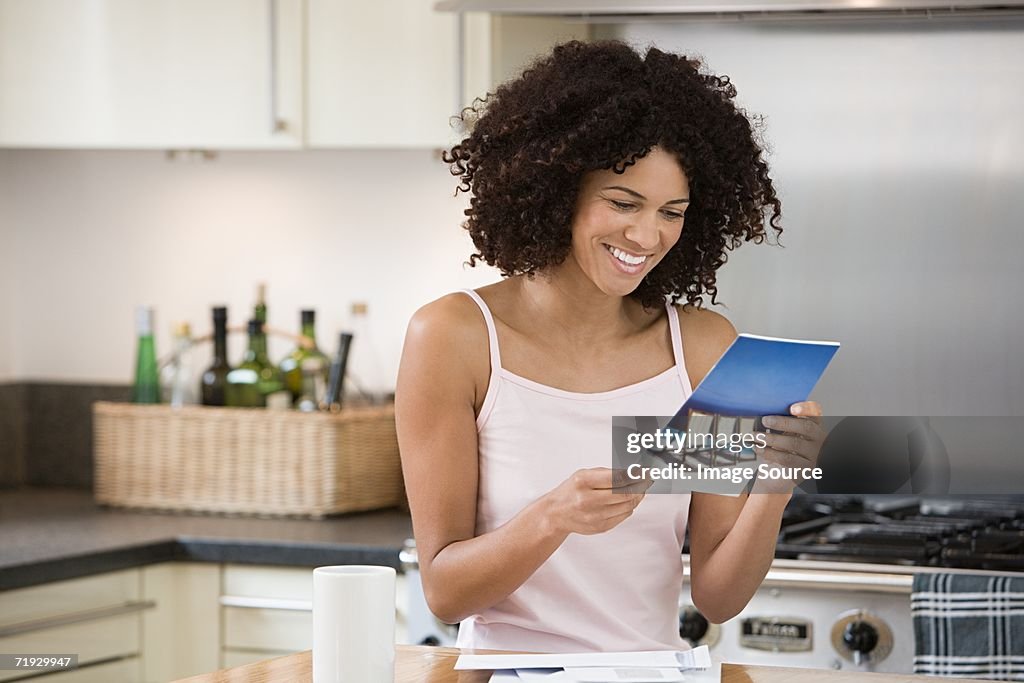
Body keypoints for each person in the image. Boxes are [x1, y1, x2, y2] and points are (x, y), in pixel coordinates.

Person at [395, 39, 824, 653]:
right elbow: (444, 591)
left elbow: (718, 596)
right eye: (623, 203)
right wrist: (552, 517)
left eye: (672, 212)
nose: (647, 236)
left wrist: (776, 483)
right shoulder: (454, 337)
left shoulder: (702, 347)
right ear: (556, 187)